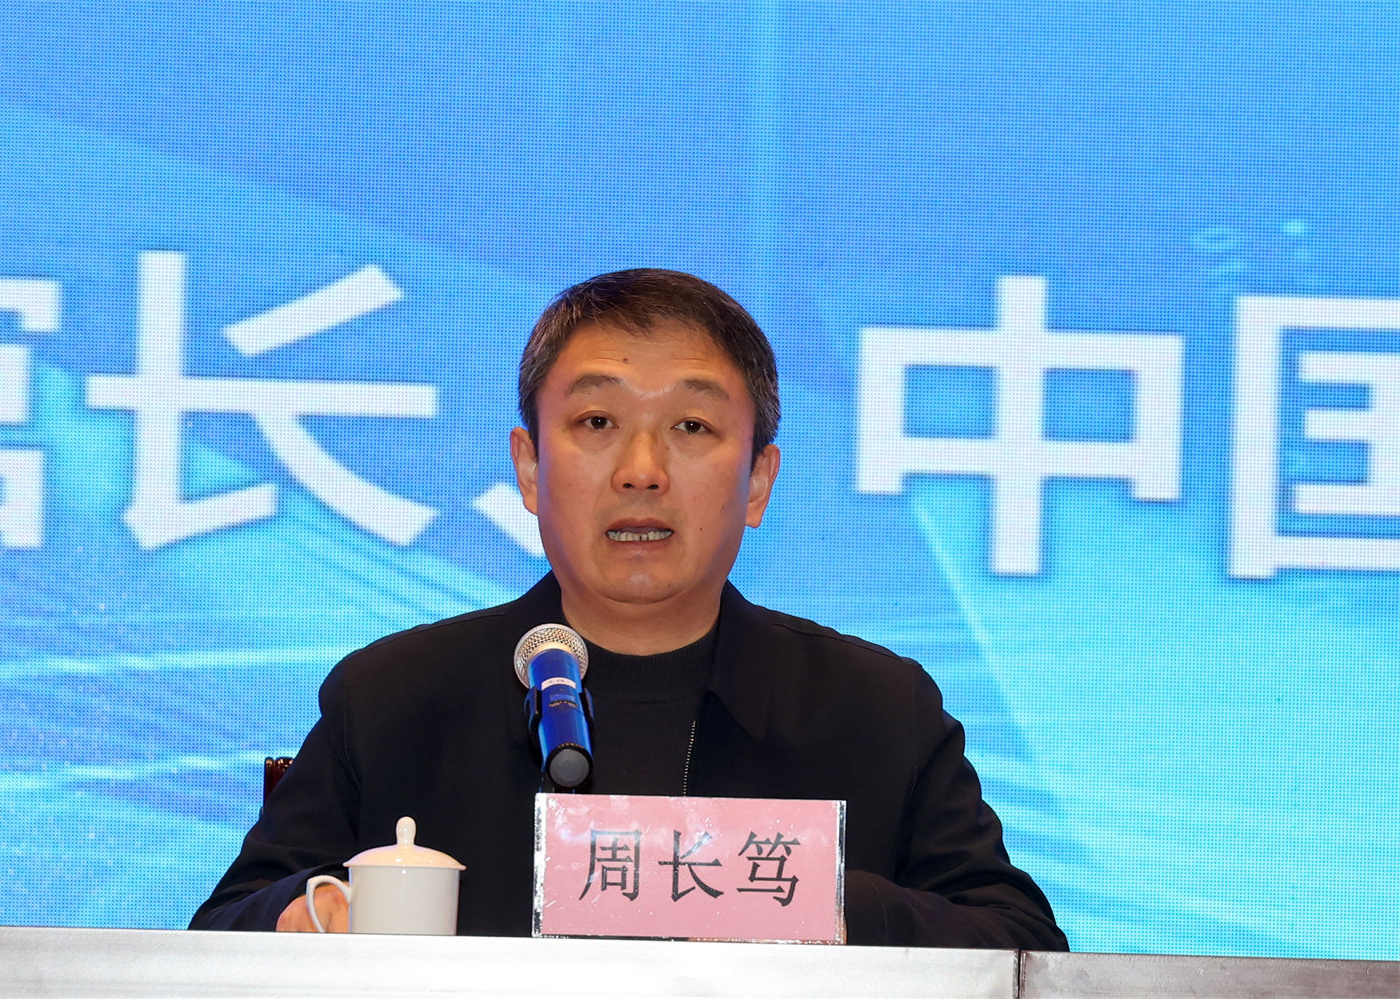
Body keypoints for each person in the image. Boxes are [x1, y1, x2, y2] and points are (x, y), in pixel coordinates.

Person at [190, 269, 1067, 949]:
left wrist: (818, 895)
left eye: (692, 427)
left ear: (757, 481)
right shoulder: (396, 698)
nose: (641, 470)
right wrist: (319, 911)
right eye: (597, 423)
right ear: (530, 467)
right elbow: (221, 933)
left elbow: (1023, 948)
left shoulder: (874, 709)